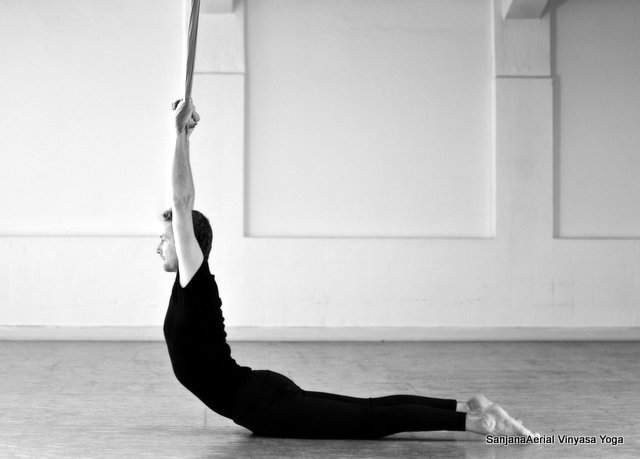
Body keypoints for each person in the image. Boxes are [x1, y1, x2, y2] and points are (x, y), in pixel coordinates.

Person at [157, 99, 540, 439]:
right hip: (258, 394)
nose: (159, 245)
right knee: (366, 409)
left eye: (167, 237)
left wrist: (180, 136)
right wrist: (184, 135)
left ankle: (480, 423)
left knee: (366, 421)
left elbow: (182, 198)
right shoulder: (186, 286)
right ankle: (466, 406)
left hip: (261, 405)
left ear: (187, 239)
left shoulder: (196, 281)